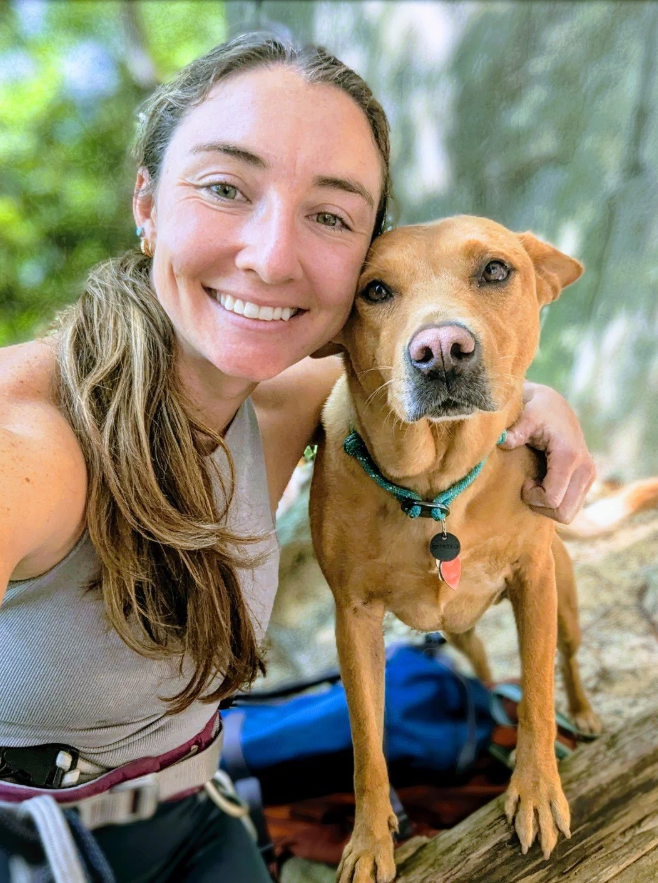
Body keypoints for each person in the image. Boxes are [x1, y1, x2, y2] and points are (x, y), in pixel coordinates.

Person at [0, 33, 595, 883]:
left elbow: (428, 360)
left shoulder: (286, 394)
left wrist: (539, 400)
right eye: (223, 186)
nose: (273, 255)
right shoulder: (22, 441)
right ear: (147, 202)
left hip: (202, 817)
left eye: (330, 214)